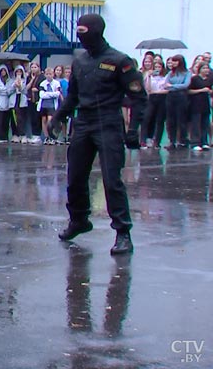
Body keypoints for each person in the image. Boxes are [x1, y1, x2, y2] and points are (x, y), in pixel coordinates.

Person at [49, 14, 146, 255]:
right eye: (78, 31)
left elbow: (139, 97)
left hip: (109, 123)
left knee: (112, 180)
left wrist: (133, 130)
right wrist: (59, 116)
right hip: (84, 122)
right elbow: (73, 96)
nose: (80, 36)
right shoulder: (80, 62)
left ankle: (123, 232)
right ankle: (79, 220)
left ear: (96, 31)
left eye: (84, 30)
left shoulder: (119, 61)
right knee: (75, 177)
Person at [163, 54, 191, 149]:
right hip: (171, 97)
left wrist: (172, 86)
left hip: (181, 97)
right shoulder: (170, 73)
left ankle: (182, 140)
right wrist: (172, 86)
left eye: (175, 61)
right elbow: (165, 84)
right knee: (170, 120)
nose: (173, 63)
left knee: (181, 119)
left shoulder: (187, 73)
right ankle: (172, 141)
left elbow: (185, 85)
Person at [142, 59, 167, 149]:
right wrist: (148, 76)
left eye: (159, 67)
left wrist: (158, 91)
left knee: (160, 120)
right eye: (155, 67)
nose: (157, 69)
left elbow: (167, 89)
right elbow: (148, 89)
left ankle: (157, 142)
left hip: (162, 98)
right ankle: (143, 141)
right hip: (151, 98)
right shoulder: (150, 76)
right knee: (146, 118)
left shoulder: (165, 77)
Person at [188, 62, 212, 151]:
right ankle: (195, 142)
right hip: (196, 104)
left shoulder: (209, 80)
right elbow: (189, 91)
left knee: (205, 124)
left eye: (207, 68)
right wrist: (201, 90)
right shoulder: (194, 79)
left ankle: (204, 142)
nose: (206, 70)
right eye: (204, 68)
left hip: (205, 104)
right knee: (196, 124)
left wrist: (209, 91)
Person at [0, 64, 15, 143]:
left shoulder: (10, 80)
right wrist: (6, 90)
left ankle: (4, 137)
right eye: (1, 71)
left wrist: (5, 91)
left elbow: (11, 90)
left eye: (4, 71)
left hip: (6, 104)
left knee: (5, 121)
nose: (3, 72)